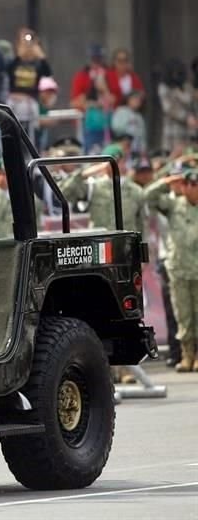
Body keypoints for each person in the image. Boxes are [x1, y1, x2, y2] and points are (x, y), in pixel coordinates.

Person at [144, 169, 198, 372]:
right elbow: (149, 196)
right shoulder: (174, 205)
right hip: (179, 270)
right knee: (182, 315)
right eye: (188, 184)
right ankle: (187, 355)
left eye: (195, 185)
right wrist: (168, 181)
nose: (191, 189)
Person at [59, 144, 146, 235]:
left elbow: (141, 224)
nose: (113, 166)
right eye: (109, 162)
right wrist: (83, 174)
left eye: (118, 161)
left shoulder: (135, 190)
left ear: (124, 162)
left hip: (125, 244)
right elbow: (63, 194)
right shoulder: (93, 186)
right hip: (100, 243)